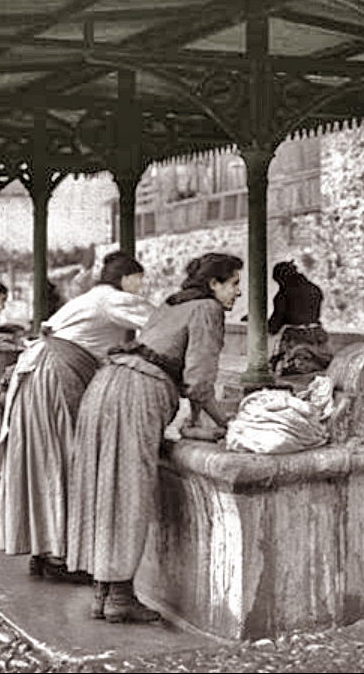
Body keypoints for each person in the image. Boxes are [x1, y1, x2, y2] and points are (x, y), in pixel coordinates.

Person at [67, 252, 241, 624]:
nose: (237, 293)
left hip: (105, 385)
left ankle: (103, 592)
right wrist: (230, 424)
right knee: (128, 487)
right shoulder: (208, 309)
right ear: (214, 284)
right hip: (138, 393)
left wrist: (196, 420)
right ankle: (120, 597)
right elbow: (199, 383)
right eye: (234, 283)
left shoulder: (171, 304)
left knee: (103, 487)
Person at [0, 252, 152, 582]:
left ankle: (41, 551)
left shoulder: (85, 299)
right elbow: (159, 324)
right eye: (139, 280)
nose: (141, 287)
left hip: (34, 374)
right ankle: (57, 558)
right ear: (126, 279)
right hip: (55, 377)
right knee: (59, 460)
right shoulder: (113, 299)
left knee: (38, 462)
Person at [267, 260, 333, 376]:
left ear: (282, 279)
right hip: (319, 338)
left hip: (296, 340)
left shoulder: (284, 294)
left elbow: (275, 325)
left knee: (286, 372)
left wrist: (257, 320)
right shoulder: (315, 289)